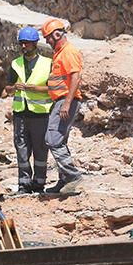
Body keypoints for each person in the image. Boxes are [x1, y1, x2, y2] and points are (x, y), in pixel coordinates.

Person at [2, 26, 52, 193]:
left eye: (27, 43)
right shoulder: (15, 64)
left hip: (40, 114)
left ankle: (39, 182)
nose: (24, 47)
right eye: (22, 43)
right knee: (22, 148)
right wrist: (13, 88)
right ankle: (24, 183)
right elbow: (7, 89)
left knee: (40, 148)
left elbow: (53, 89)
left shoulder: (47, 64)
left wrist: (33, 88)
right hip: (20, 113)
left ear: (35, 44)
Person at [41, 18, 84, 195]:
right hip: (61, 101)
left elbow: (76, 77)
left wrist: (66, 103)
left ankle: (73, 176)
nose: (47, 42)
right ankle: (64, 180)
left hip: (66, 101)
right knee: (60, 141)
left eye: (48, 38)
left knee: (52, 139)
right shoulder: (60, 53)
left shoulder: (68, 52)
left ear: (57, 34)